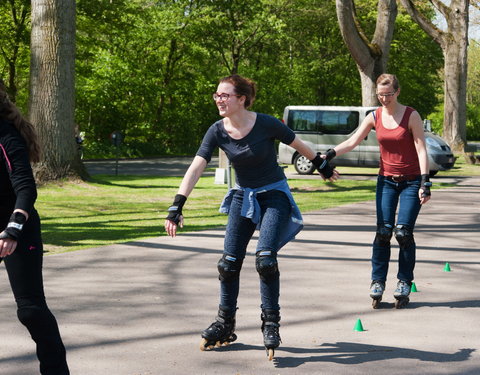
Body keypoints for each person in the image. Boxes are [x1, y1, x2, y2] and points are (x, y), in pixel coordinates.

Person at [164, 74, 338, 359]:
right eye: (216, 95)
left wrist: (322, 165)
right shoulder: (217, 130)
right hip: (242, 196)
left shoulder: (266, 123)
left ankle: (271, 323)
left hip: (274, 195)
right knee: (228, 263)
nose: (218, 100)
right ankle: (225, 323)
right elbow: (197, 166)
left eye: (225, 95)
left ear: (241, 99)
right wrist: (177, 205)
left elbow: (297, 143)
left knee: (265, 259)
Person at [322, 73, 431, 309]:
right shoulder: (374, 116)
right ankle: (378, 281)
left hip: (412, 181)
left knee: (403, 233)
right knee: (383, 232)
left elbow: (421, 148)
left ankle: (403, 281)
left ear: (397, 92)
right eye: (380, 95)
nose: (384, 99)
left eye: (388, 95)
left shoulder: (411, 115)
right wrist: (328, 154)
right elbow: (352, 142)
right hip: (386, 181)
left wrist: (425, 181)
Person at [0, 80, 70, 374]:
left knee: (30, 310)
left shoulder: (5, 135)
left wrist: (14, 227)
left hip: (18, 228)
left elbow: (26, 188)